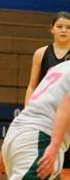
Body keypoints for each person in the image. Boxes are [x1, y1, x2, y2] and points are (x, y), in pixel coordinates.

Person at [0, 60, 70, 179]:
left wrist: (3, 155)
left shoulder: (60, 67)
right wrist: (54, 146)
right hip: (39, 141)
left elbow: (34, 107)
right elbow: (67, 103)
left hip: (17, 135)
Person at [24, 11, 70, 179]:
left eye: (68, 27)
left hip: (68, 118)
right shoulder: (41, 53)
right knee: (43, 166)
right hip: (45, 118)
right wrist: (27, 112)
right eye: (59, 26)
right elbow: (32, 86)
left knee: (66, 171)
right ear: (52, 29)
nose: (64, 30)